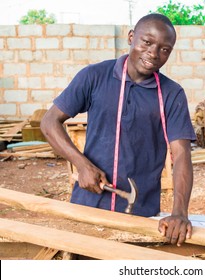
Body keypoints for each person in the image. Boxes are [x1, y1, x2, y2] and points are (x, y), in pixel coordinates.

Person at [41, 13, 196, 247]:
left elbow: (182, 154)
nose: (153, 53)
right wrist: (82, 165)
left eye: (164, 49)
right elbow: (49, 122)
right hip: (87, 206)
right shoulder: (94, 77)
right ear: (131, 37)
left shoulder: (171, 94)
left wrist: (180, 212)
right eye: (147, 42)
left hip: (140, 214)